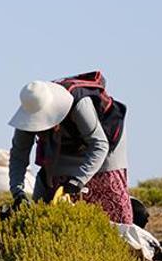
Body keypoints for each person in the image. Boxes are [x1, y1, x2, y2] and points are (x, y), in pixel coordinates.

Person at [8, 73, 133, 224]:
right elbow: (18, 154)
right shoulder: (30, 109)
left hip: (104, 143)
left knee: (107, 193)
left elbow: (100, 145)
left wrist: (78, 180)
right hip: (62, 142)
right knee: (52, 193)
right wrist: (18, 192)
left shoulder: (78, 103)